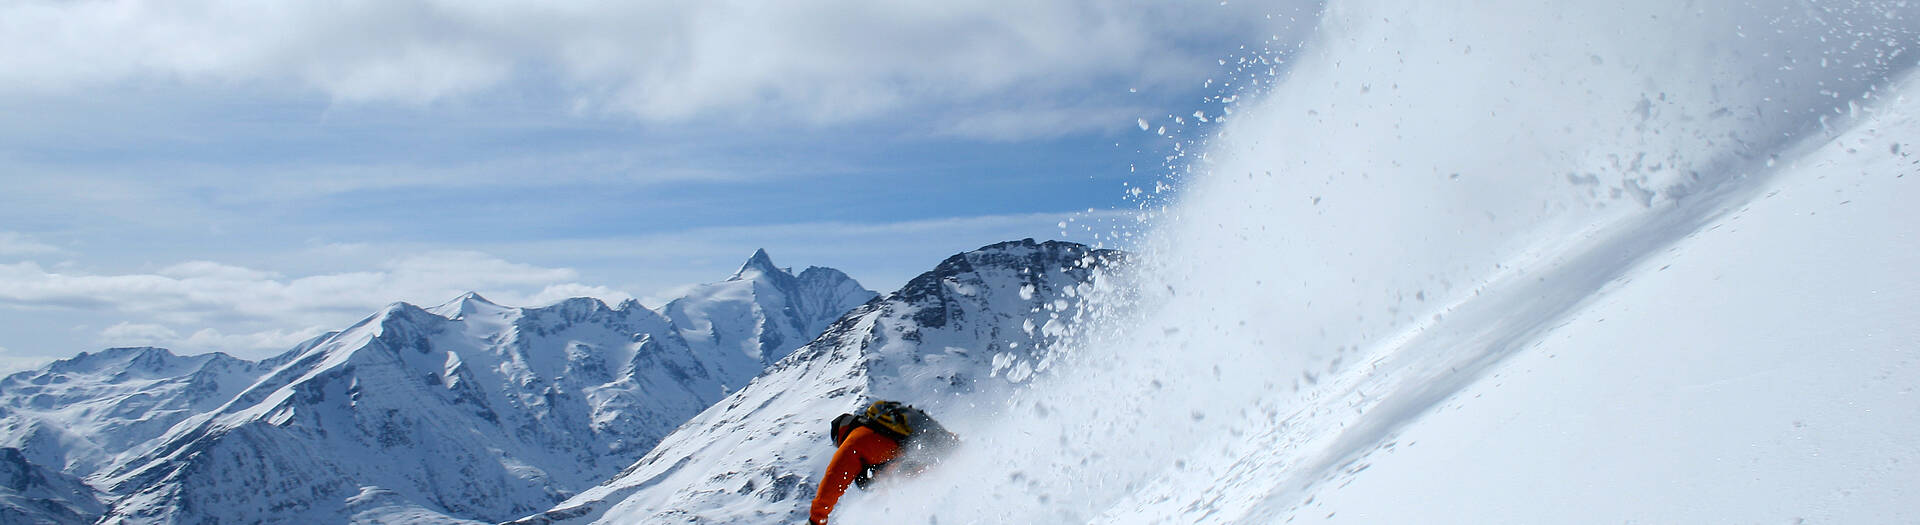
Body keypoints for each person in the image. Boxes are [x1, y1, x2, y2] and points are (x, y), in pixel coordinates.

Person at [808, 400, 958, 525]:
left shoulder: (852, 443)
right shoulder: (880, 426)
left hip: (916, 463)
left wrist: (816, 518)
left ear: (840, 435)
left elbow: (834, 479)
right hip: (932, 455)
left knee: (866, 482)